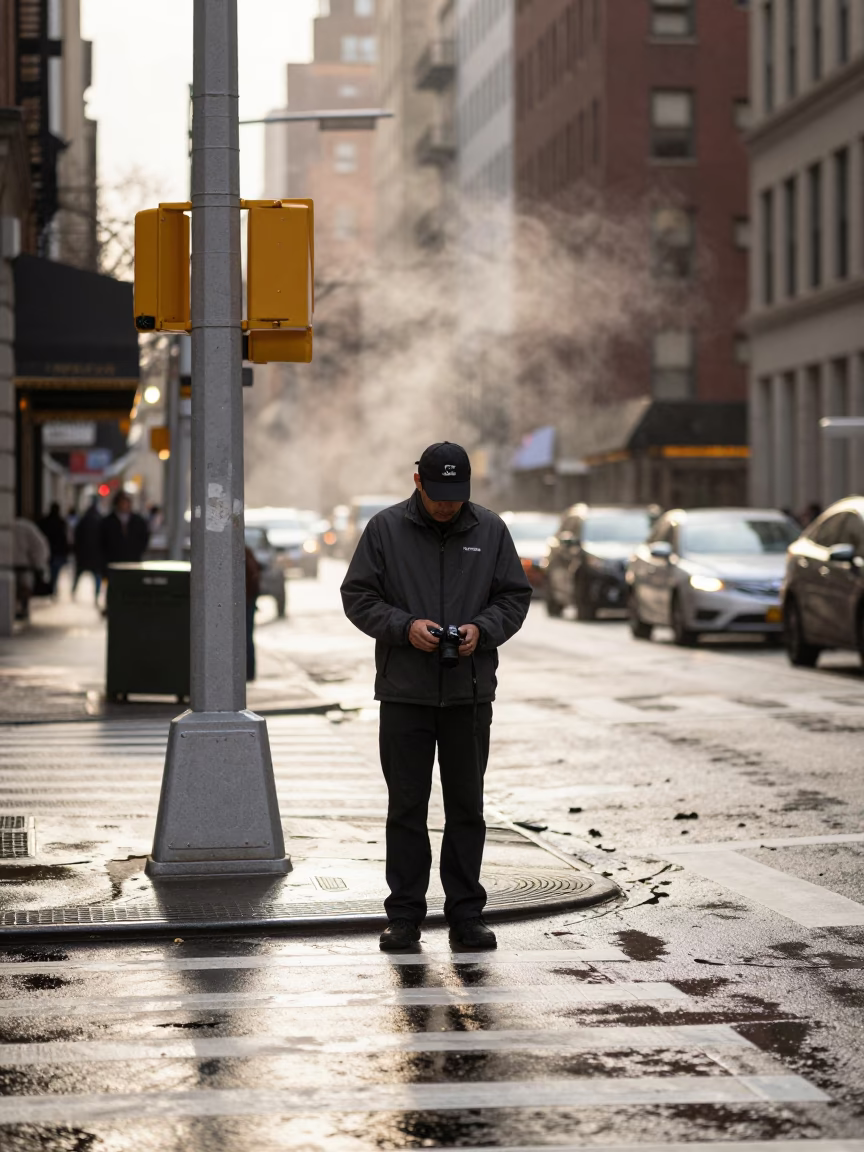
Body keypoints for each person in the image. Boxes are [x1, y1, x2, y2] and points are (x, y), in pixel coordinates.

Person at [341, 442, 532, 952]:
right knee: (406, 809)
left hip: (469, 695)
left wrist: (481, 631)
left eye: (456, 495)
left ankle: (467, 916)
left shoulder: (490, 529)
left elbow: (514, 596)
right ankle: (404, 918)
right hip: (405, 694)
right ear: (418, 482)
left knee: (467, 808)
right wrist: (405, 628)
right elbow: (357, 596)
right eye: (438, 494)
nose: (447, 505)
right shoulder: (384, 528)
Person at [13, 516, 50, 621]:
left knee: (19, 589)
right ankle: (22, 610)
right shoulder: (27, 527)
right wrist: (39, 566)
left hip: (18, 564)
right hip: (24, 565)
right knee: (24, 588)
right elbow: (40, 546)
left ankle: (19, 610)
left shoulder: (19, 527)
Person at [100, 491, 150, 569]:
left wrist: (137, 551)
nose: (124, 505)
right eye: (122, 502)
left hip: (133, 560)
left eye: (126, 502)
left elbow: (144, 537)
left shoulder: (138, 520)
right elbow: (103, 540)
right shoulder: (108, 521)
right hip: (113, 561)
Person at [72, 497, 104, 603]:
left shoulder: (83, 520)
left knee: (78, 575)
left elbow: (77, 537)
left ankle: (73, 592)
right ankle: (96, 596)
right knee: (97, 578)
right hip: (95, 555)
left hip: (84, 555)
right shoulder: (100, 520)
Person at [38, 502, 70, 597]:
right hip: (57, 551)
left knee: (50, 570)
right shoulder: (61, 522)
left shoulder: (45, 522)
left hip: (48, 550)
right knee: (54, 572)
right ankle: (52, 588)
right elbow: (65, 538)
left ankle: (51, 588)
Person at [245, 545, 261, 681]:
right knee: (247, 638)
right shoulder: (245, 551)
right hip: (247, 602)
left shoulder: (243, 551)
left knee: (246, 638)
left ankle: (249, 673)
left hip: (246, 602)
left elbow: (253, 577)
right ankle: (249, 673)